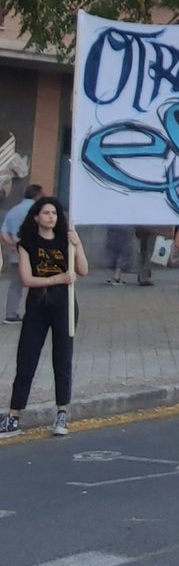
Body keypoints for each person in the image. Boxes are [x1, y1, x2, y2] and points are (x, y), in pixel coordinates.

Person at [0, 196, 89, 438]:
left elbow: (83, 270)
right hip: (38, 305)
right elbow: (27, 279)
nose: (51, 217)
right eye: (46, 213)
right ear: (37, 216)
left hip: (64, 305)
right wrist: (56, 278)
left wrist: (78, 245)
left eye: (54, 213)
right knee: (26, 358)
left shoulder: (65, 241)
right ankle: (14, 415)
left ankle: (62, 413)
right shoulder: (27, 243)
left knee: (62, 359)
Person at [0, 183, 42, 323]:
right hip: (35, 252)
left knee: (16, 285)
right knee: (38, 283)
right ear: (38, 195)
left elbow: (3, 232)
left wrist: (12, 244)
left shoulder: (14, 210)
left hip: (16, 253)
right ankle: (36, 313)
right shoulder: (37, 209)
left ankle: (11, 314)